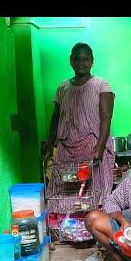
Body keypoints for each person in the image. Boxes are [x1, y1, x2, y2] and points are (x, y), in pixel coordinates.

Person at [44, 42, 115, 205]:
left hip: (92, 148)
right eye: (77, 59)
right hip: (66, 150)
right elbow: (55, 118)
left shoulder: (101, 85)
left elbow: (106, 116)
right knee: (65, 192)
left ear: (92, 61)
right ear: (71, 61)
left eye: (86, 59)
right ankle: (68, 228)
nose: (81, 62)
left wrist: (100, 146)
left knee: (93, 194)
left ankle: (94, 226)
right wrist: (50, 145)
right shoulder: (63, 87)